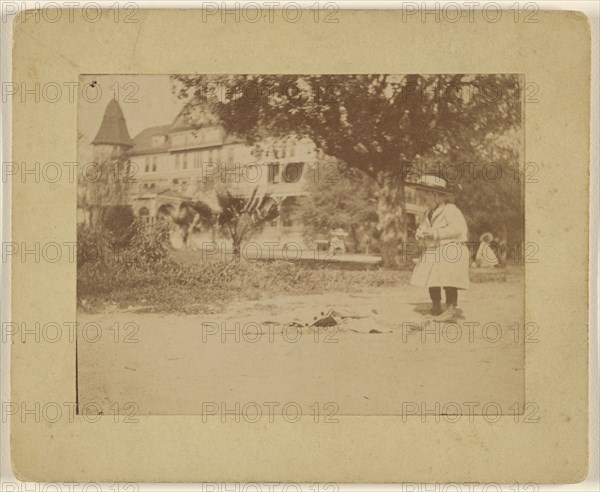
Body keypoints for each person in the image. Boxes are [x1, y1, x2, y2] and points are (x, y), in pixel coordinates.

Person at [409, 174, 470, 321]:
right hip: (434, 250)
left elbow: (458, 229)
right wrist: (420, 233)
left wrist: (435, 233)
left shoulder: (450, 210)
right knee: (431, 278)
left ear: (435, 195)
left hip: (451, 249)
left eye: (425, 199)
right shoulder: (427, 213)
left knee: (449, 278)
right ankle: (436, 305)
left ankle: (450, 307)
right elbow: (424, 227)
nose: (424, 202)